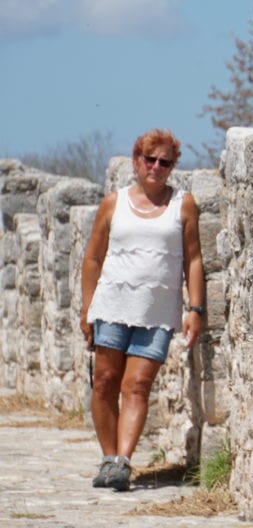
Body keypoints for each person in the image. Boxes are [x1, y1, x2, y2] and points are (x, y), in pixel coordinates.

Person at [80, 129, 205, 491]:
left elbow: (194, 259)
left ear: (172, 166)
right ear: (136, 161)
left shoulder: (183, 204)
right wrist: (87, 308)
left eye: (164, 162)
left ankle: (123, 461)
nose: (156, 167)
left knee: (137, 385)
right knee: (104, 381)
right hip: (112, 304)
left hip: (157, 310)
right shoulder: (113, 203)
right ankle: (108, 457)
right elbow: (92, 258)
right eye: (149, 159)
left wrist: (194, 308)